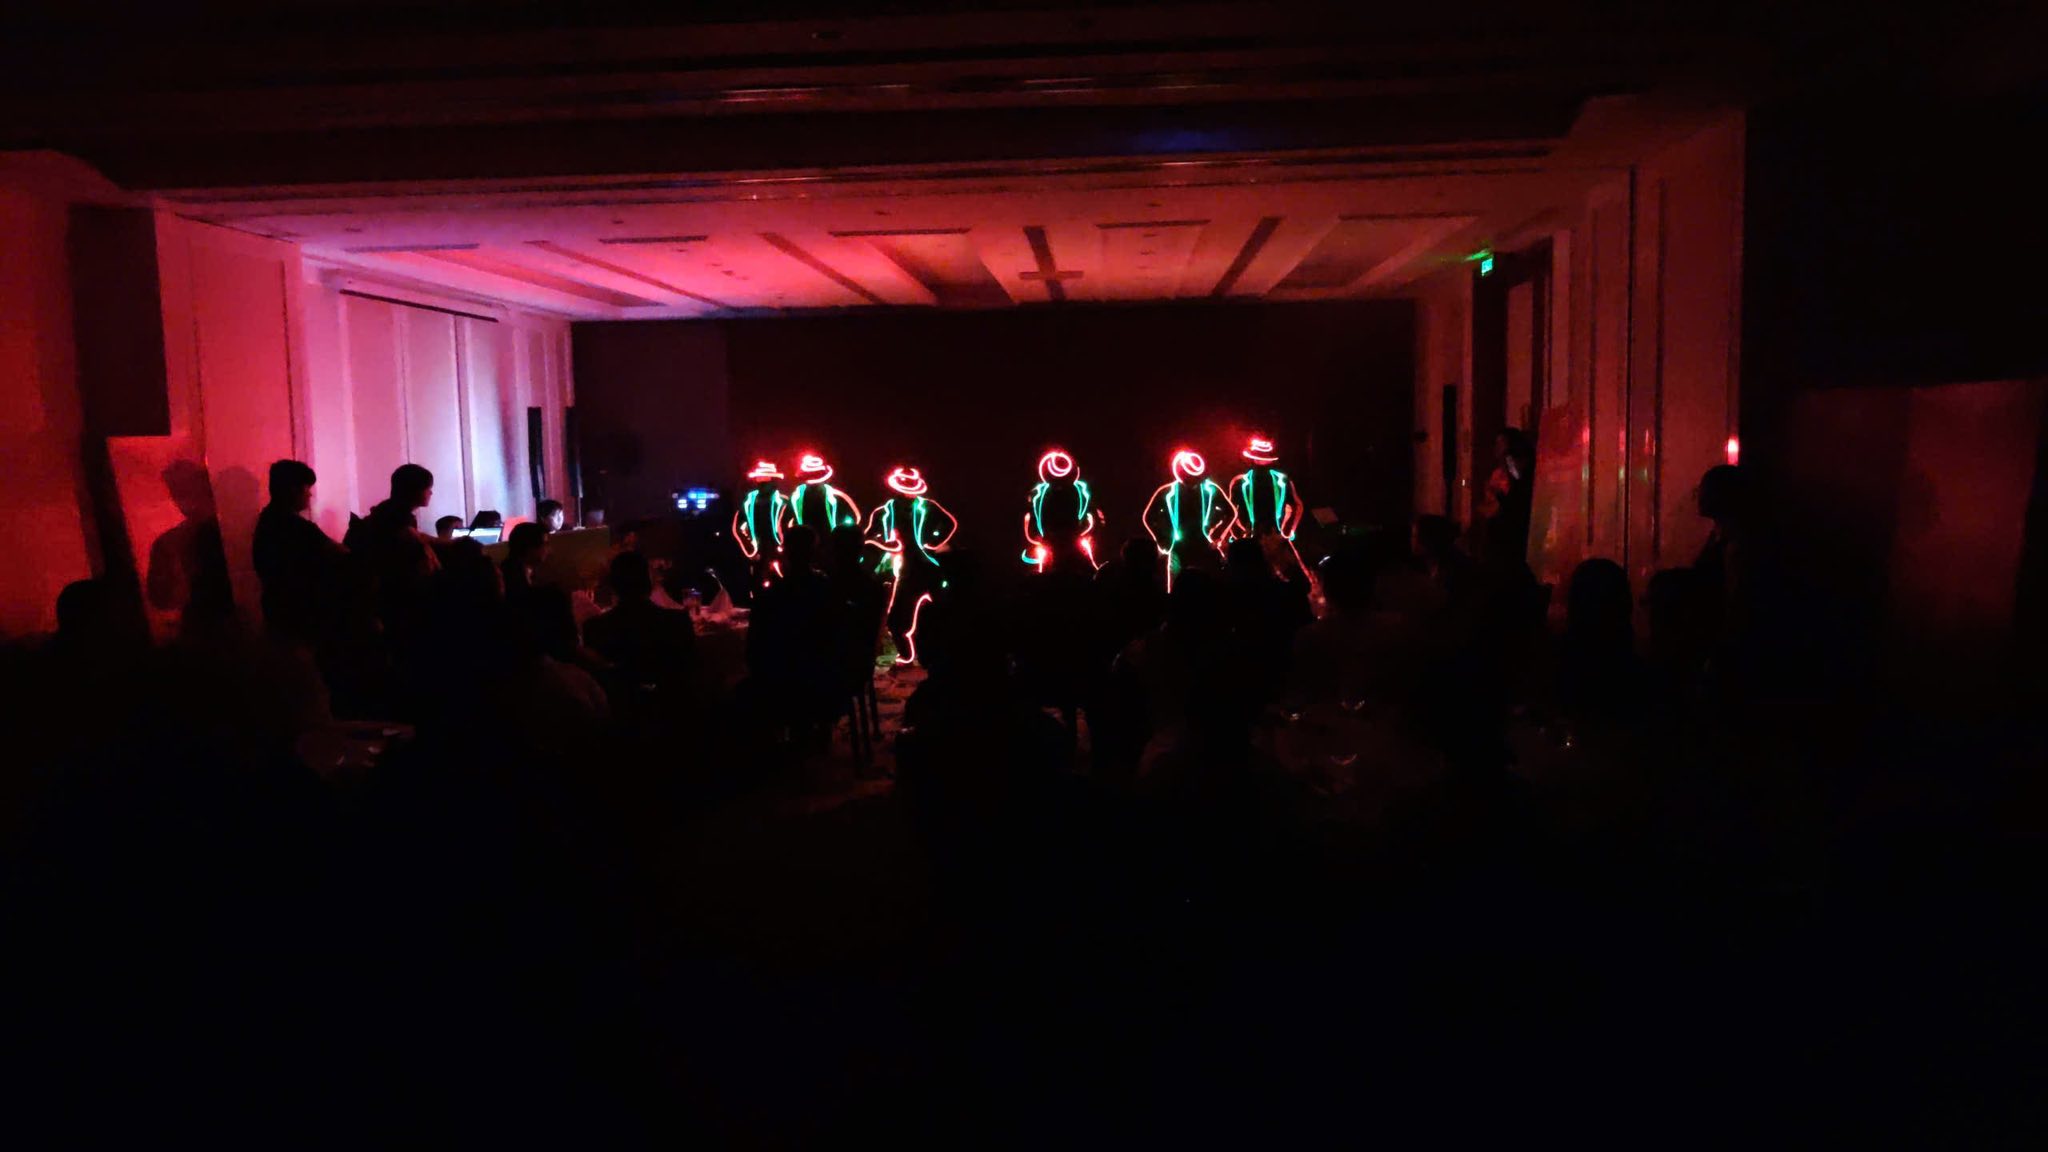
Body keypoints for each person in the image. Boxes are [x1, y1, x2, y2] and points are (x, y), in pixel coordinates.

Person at [863, 466, 956, 666]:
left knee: (944, 611)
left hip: (928, 566)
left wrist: (933, 542)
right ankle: (907, 655)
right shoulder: (887, 510)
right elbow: (869, 535)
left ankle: (944, 653)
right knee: (897, 619)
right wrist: (883, 543)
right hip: (906, 569)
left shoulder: (927, 506)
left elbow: (949, 523)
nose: (910, 493)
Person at [252, 459, 347, 645]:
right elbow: (341, 554)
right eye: (307, 489)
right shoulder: (297, 527)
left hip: (276, 608)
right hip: (300, 612)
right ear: (293, 490)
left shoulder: (267, 520)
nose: (310, 494)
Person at [343, 463, 440, 639]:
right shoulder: (395, 516)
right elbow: (415, 542)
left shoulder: (387, 511)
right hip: (391, 596)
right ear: (415, 490)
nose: (430, 493)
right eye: (428, 488)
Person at [584, 550, 696, 694]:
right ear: (649, 582)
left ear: (613, 585)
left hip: (620, 705)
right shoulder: (678, 622)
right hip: (671, 703)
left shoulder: (595, 629)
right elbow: (691, 676)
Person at [1141, 448, 1233, 592]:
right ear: (1181, 473)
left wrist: (1217, 536)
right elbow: (1148, 517)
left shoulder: (1210, 489)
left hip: (1203, 544)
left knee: (1206, 585)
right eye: (1189, 476)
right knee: (1177, 586)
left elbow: (1230, 512)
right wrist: (1162, 539)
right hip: (1178, 546)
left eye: (1195, 477)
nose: (1193, 480)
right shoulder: (1168, 492)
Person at [1226, 433, 1309, 577]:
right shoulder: (1240, 481)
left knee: (1281, 573)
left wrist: (1287, 531)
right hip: (1252, 535)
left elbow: (1297, 506)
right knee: (1254, 574)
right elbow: (1231, 511)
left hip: (1274, 534)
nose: (1261, 460)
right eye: (1259, 456)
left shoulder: (1281, 479)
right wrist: (1239, 534)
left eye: (1264, 456)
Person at [1022, 448, 1104, 574]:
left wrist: (1085, 527)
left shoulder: (1076, 490)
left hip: (1068, 535)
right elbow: (1035, 513)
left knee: (1075, 564)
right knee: (1053, 566)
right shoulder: (1042, 492)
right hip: (1054, 537)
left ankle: (1092, 574)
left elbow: (1087, 512)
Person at [1479, 427, 1534, 568]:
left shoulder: (1515, 466)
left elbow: (1517, 494)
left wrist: (1499, 495)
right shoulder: (1498, 473)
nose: (1497, 448)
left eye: (1501, 443)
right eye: (1496, 444)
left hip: (1513, 531)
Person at [731, 459, 789, 590]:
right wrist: (750, 549)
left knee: (779, 583)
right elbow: (738, 528)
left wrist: (785, 546)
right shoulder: (748, 503)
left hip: (778, 550)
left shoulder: (784, 502)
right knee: (758, 584)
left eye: (767, 481)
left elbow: (791, 526)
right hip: (758, 549)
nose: (763, 484)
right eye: (761, 481)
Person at [782, 452, 861, 536]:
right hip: (807, 541)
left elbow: (855, 519)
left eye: (816, 477)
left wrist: (842, 536)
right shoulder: (796, 498)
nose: (814, 482)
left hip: (825, 542)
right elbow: (784, 522)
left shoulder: (836, 497)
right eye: (812, 477)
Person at [502, 522, 548, 603]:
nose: (548, 550)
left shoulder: (527, 570)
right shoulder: (511, 577)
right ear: (529, 547)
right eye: (545, 544)